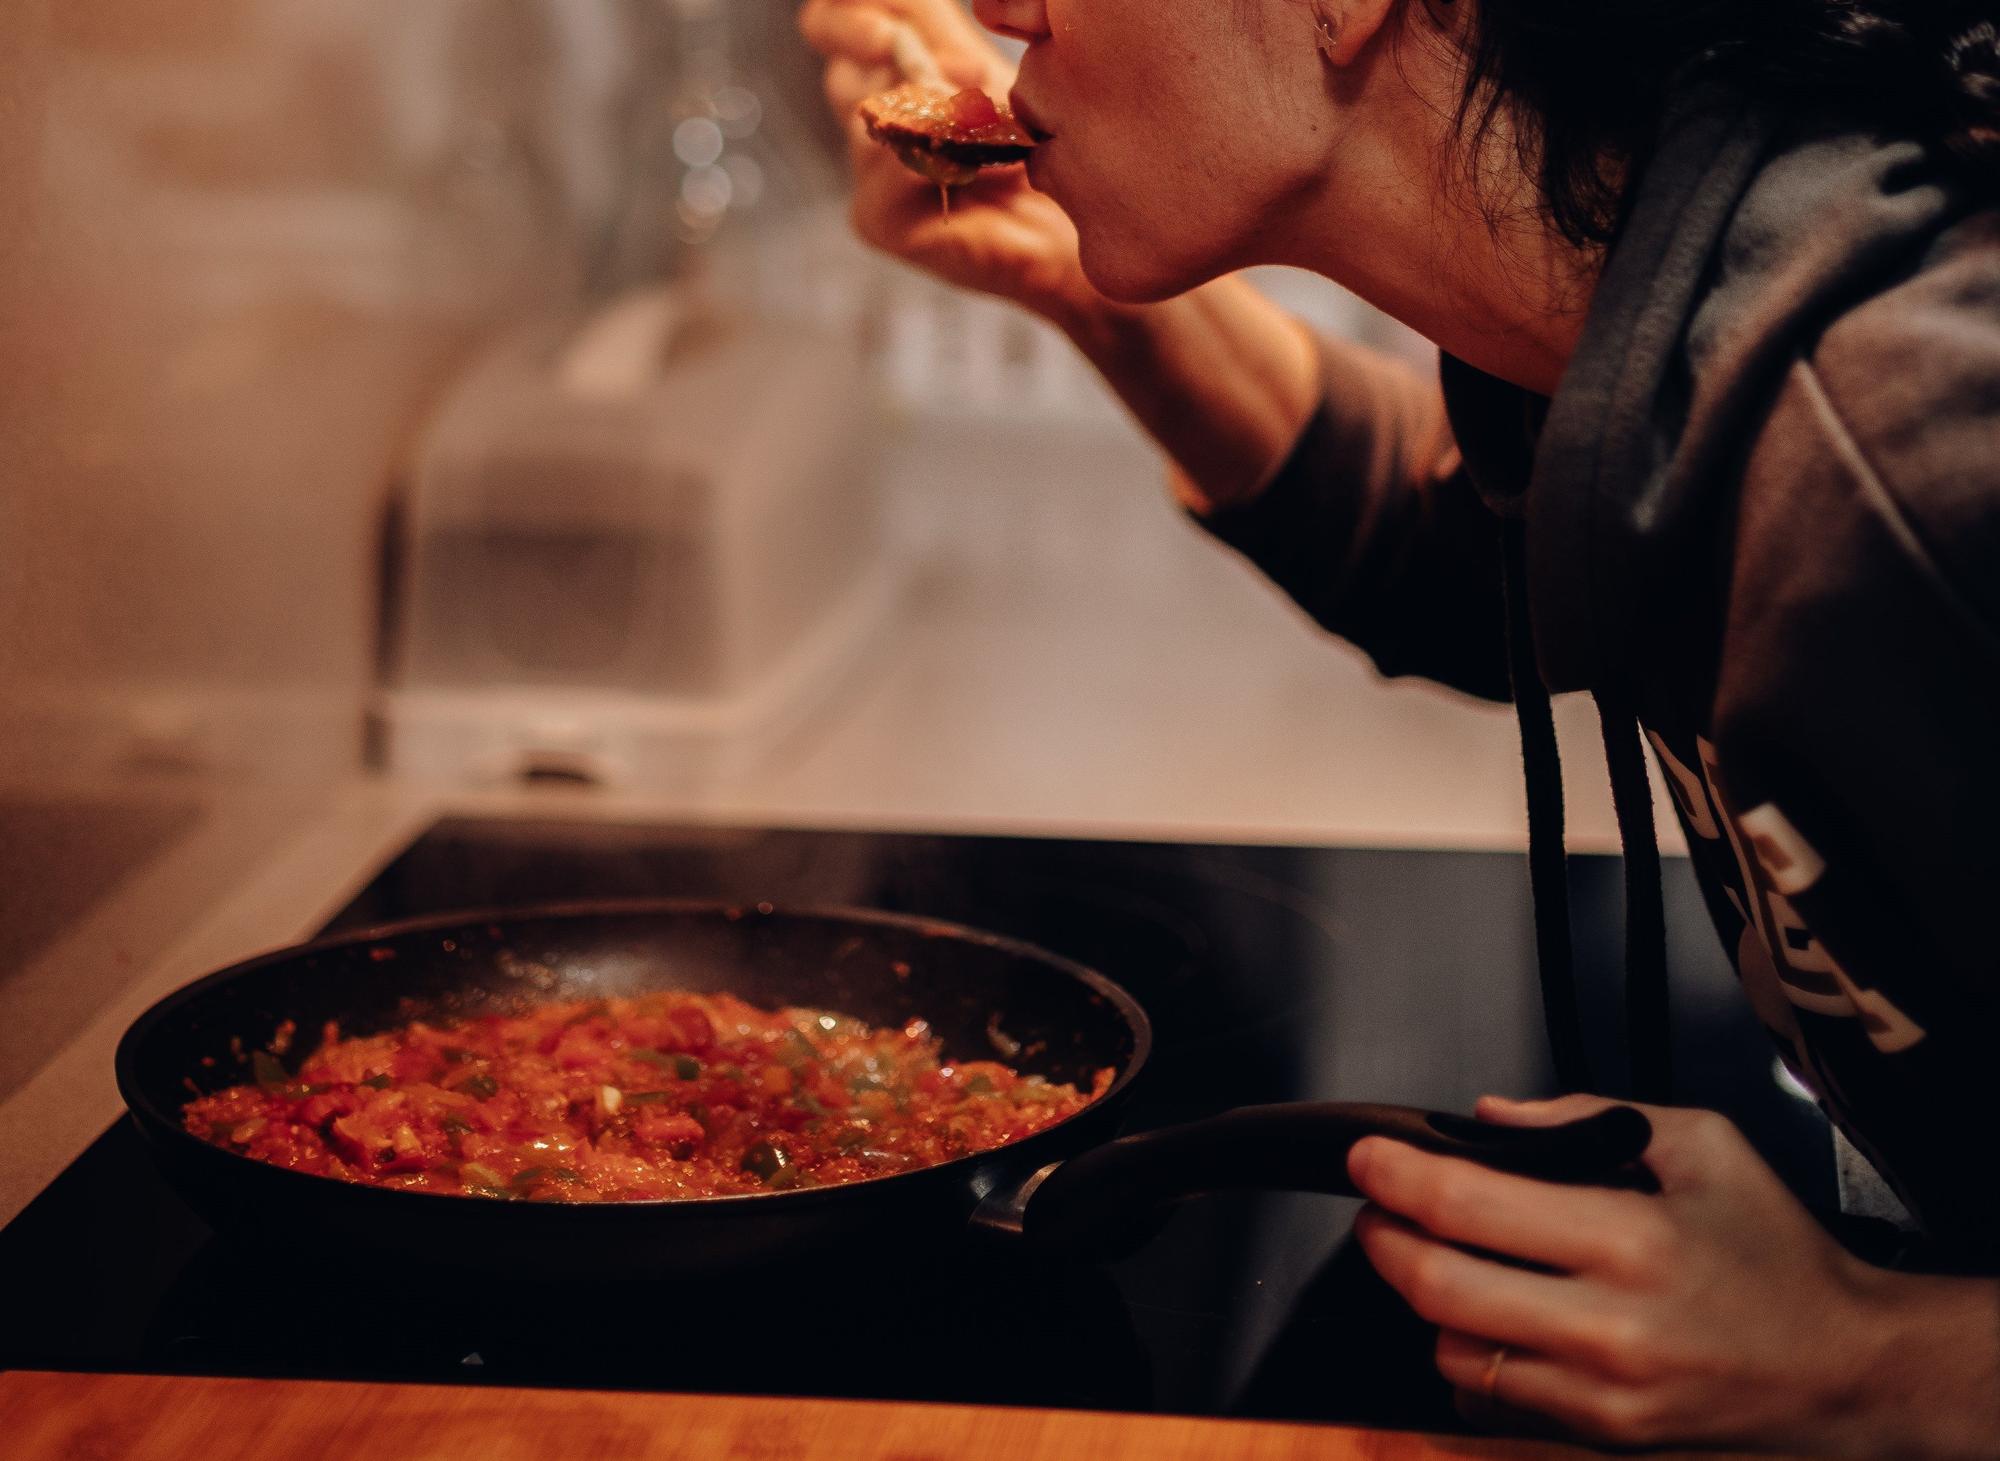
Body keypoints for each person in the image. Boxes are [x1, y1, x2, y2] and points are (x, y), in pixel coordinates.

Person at [798, 0, 2000, 1452]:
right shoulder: (1690, 307)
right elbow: (1474, 545)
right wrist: (1086, 277)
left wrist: (1871, 1361)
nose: (999, 11)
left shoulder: (1916, 449)